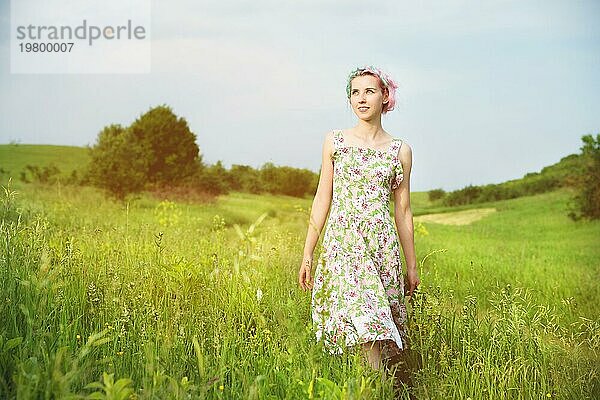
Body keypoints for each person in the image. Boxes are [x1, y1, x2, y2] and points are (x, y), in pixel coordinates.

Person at [298, 65, 420, 371]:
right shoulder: (335, 141)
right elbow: (322, 198)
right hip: (343, 245)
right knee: (365, 323)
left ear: (385, 97)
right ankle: (372, 387)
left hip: (380, 246)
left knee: (375, 331)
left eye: (369, 91)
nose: (361, 98)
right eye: (355, 92)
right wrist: (308, 253)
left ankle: (370, 384)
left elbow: (402, 211)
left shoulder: (399, 151)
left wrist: (412, 264)